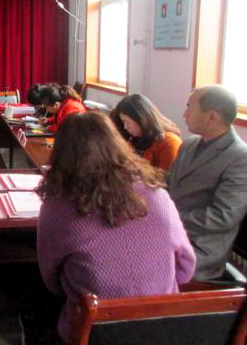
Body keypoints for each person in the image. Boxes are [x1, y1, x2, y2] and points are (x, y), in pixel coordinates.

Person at [37, 112, 195, 344]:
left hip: (93, 330)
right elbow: (186, 267)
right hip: (163, 328)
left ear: (61, 154)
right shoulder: (158, 195)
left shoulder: (57, 207)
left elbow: (51, 280)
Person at [168, 85, 247, 281]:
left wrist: (171, 218)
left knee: (137, 265)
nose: (184, 114)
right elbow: (168, 182)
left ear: (212, 117)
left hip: (199, 248)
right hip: (170, 233)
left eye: (189, 107)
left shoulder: (240, 157)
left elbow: (222, 216)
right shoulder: (189, 144)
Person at [113, 94, 182, 171]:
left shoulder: (170, 142)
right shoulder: (134, 139)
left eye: (127, 122)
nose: (125, 127)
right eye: (123, 122)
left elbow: (167, 177)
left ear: (140, 118)